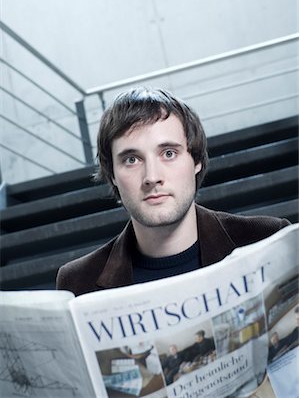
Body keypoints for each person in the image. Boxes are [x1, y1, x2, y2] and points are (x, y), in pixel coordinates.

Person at [56, 86, 290, 296]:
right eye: (131, 159)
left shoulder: (269, 239)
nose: (152, 177)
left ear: (196, 160)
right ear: (113, 174)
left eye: (169, 153)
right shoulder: (77, 282)